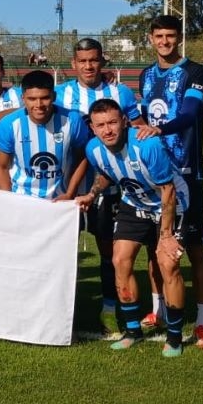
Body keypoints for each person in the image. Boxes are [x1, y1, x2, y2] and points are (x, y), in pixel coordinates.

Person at [75, 99, 188, 357]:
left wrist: (166, 235)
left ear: (124, 121)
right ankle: (133, 331)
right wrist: (92, 194)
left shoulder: (146, 144)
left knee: (167, 263)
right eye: (101, 125)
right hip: (134, 203)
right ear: (92, 128)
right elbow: (107, 174)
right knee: (120, 260)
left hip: (171, 204)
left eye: (113, 122)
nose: (108, 130)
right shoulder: (93, 149)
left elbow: (168, 190)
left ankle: (174, 337)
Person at [55, 38, 143, 335]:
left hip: (110, 189)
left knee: (108, 251)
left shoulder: (121, 92)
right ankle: (59, 313)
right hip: (68, 188)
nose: (88, 66)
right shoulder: (60, 94)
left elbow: (137, 127)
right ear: (73, 64)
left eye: (93, 60)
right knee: (61, 253)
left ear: (102, 61)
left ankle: (108, 310)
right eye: (83, 61)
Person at [138, 14, 203, 346]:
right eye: (159, 36)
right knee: (156, 248)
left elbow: (190, 113)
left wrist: (160, 129)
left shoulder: (196, 72)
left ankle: (202, 321)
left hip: (186, 174)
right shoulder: (145, 75)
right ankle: (158, 310)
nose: (165, 41)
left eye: (170, 36)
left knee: (194, 250)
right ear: (150, 39)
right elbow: (143, 117)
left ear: (179, 38)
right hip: (155, 175)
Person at [0, 70, 89, 200]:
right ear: (23, 99)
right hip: (21, 199)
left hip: (59, 200)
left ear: (54, 96)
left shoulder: (73, 120)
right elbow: (2, 167)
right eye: (32, 99)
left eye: (45, 98)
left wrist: (70, 193)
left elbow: (82, 158)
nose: (38, 105)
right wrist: (9, 199)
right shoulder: (8, 124)